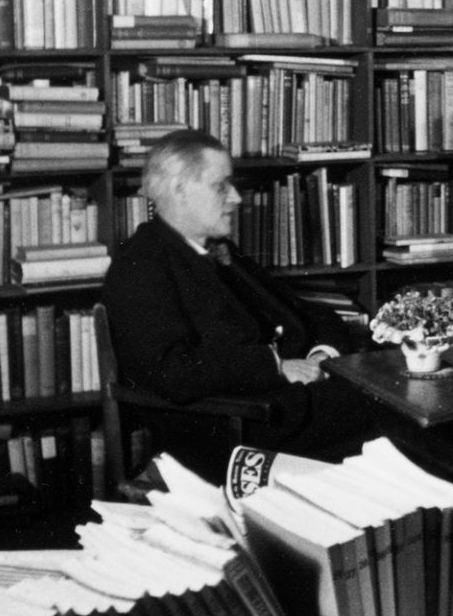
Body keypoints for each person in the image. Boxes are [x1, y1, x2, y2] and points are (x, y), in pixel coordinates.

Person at [101, 129, 370, 460]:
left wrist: (320, 354)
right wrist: (277, 366)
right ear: (178, 190)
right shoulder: (141, 265)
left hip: (284, 405)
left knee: (395, 401)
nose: (236, 198)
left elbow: (304, 313)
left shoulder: (218, 250)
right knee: (394, 416)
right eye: (220, 185)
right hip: (234, 429)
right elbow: (170, 371)